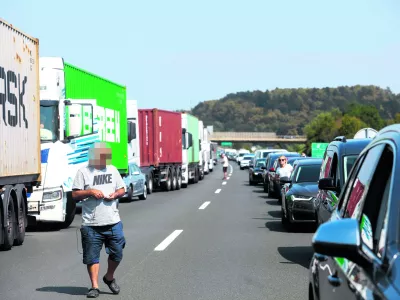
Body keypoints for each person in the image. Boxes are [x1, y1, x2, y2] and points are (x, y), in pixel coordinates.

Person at [72, 142, 127, 298]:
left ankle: (109, 277)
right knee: (92, 256)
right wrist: (90, 192)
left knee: (117, 253)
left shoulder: (112, 170)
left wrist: (115, 195)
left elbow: (122, 189)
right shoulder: (83, 172)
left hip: (113, 221)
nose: (104, 160)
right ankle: (94, 286)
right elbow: (75, 195)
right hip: (91, 223)